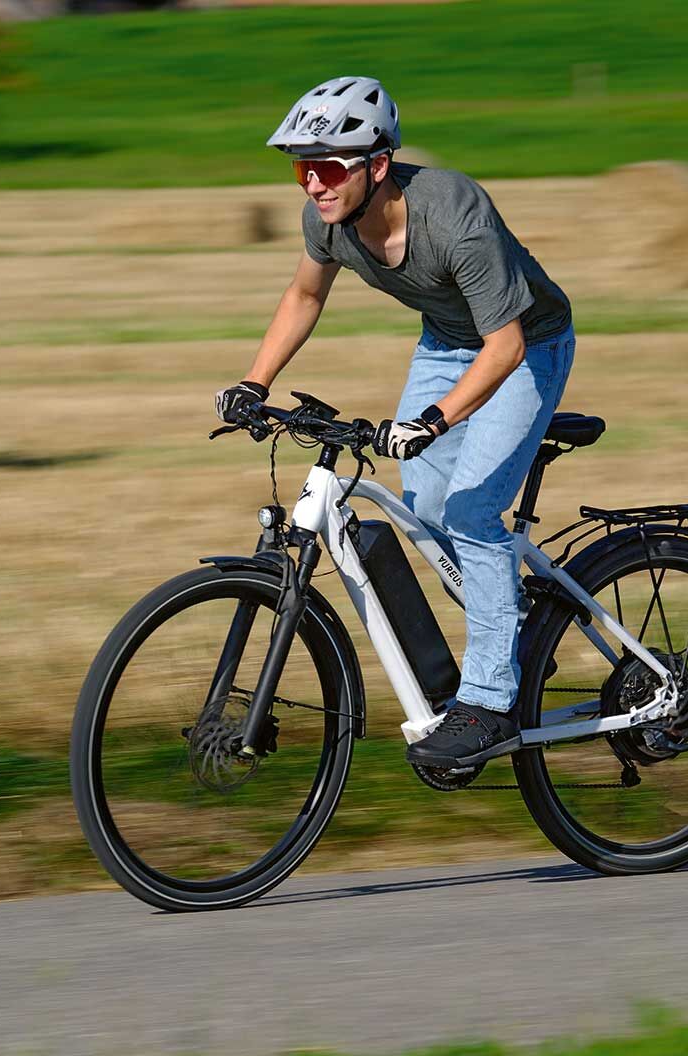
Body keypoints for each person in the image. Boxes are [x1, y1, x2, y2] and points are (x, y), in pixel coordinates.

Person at [215, 76, 575, 771]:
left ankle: (490, 702)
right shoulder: (325, 221)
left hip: (527, 344)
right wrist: (254, 382)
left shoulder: (455, 215)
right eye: (302, 169)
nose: (313, 184)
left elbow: (505, 346)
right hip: (447, 342)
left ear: (378, 165)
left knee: (471, 510)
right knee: (425, 506)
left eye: (327, 168)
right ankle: (516, 627)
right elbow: (304, 293)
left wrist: (433, 421)